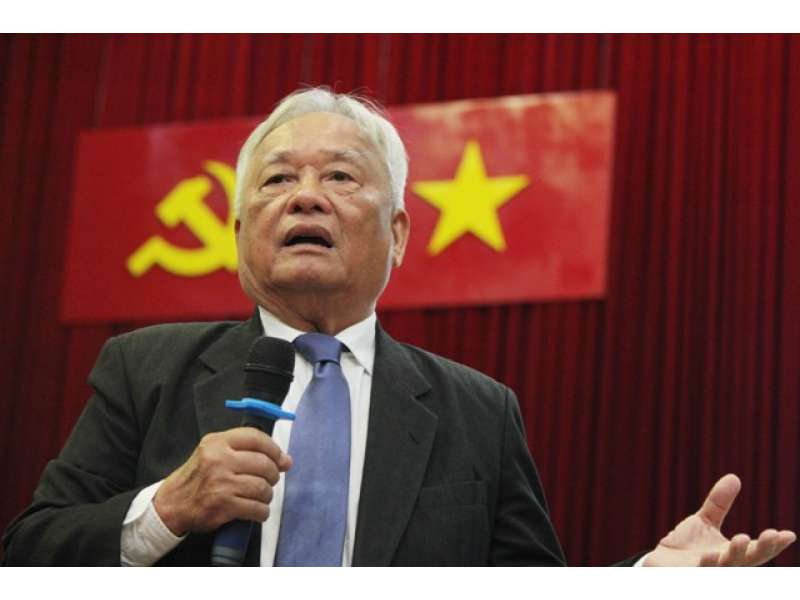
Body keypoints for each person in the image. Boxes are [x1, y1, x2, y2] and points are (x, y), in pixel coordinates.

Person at [2, 88, 795, 566]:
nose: (304, 196)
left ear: (399, 235)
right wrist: (166, 509)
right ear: (239, 232)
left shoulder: (480, 410)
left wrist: (644, 580)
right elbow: (28, 556)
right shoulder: (143, 369)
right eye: (277, 180)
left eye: (340, 177)